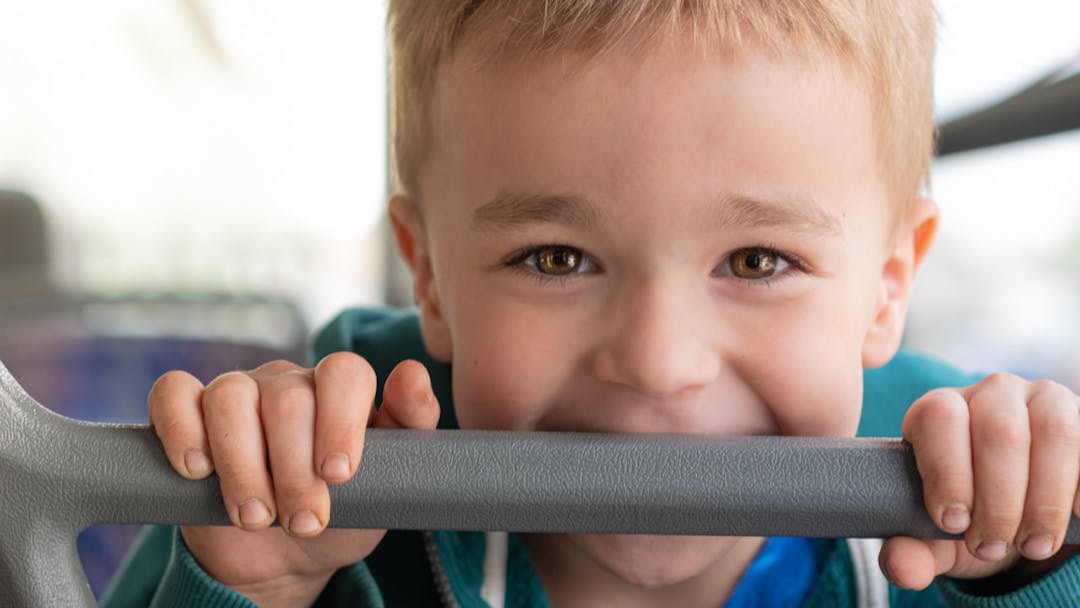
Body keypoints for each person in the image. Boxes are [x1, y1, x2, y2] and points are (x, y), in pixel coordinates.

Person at [103, 1, 1080, 606]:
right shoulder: (320, 477)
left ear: (887, 288)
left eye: (755, 259)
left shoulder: (959, 493)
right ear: (431, 276)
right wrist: (242, 587)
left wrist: (1034, 572)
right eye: (557, 257)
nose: (657, 361)